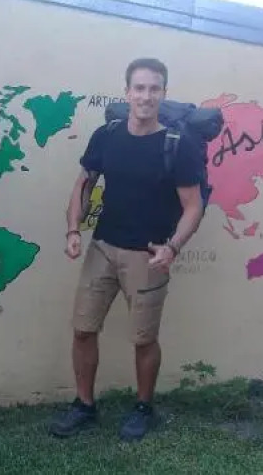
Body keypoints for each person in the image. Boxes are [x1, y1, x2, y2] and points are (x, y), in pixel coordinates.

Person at [49, 58, 204, 441]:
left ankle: (143, 407)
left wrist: (173, 247)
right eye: (139, 88)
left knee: (143, 339)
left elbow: (193, 206)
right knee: (83, 330)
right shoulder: (107, 135)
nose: (146, 96)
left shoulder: (177, 145)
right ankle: (84, 405)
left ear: (163, 93)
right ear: (127, 92)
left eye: (154, 88)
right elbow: (84, 183)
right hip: (102, 247)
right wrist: (73, 229)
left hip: (148, 255)